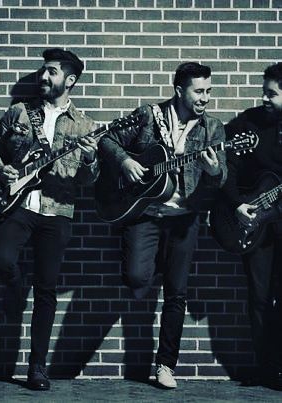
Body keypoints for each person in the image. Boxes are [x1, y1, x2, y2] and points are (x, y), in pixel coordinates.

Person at [98, 62, 227, 389]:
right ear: (179, 90)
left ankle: (166, 365)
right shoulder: (148, 115)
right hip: (146, 213)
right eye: (199, 91)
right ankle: (151, 259)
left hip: (184, 219)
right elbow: (107, 140)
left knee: (176, 293)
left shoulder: (213, 128)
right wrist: (126, 161)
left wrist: (214, 173)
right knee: (135, 276)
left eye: (209, 91)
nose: (205, 98)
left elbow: (220, 177)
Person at [0, 48, 99, 391]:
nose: (43, 76)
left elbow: (88, 180)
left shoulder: (85, 126)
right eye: (42, 70)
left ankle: (37, 368)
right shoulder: (20, 112)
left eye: (51, 72)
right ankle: (17, 286)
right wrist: (0, 168)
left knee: (47, 290)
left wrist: (90, 160)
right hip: (18, 205)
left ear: (69, 80)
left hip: (56, 212)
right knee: (1, 261)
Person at [221, 63, 282, 389]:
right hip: (256, 225)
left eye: (272, 93)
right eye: (264, 92)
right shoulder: (249, 122)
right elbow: (227, 162)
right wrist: (236, 203)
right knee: (258, 297)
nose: (264, 98)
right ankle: (265, 368)